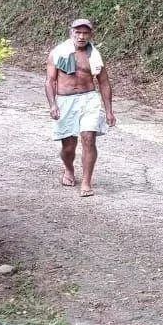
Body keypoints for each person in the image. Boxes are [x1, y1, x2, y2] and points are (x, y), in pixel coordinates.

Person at [45, 18, 116, 197]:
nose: (81, 36)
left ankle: (86, 181)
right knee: (68, 146)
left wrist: (109, 110)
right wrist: (53, 104)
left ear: (90, 35)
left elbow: (104, 83)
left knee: (88, 137)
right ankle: (69, 169)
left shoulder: (94, 56)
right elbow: (50, 81)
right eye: (78, 32)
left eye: (85, 33)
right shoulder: (58, 53)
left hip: (88, 99)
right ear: (71, 33)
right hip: (65, 100)